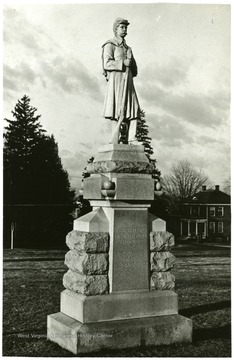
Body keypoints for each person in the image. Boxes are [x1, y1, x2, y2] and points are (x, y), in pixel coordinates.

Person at [102, 18, 140, 144]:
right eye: (122, 27)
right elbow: (106, 64)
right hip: (116, 82)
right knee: (116, 111)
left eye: (126, 27)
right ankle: (115, 138)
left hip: (128, 82)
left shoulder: (128, 48)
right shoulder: (110, 45)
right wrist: (122, 63)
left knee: (133, 108)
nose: (124, 30)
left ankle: (132, 138)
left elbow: (135, 70)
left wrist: (131, 62)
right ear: (116, 29)